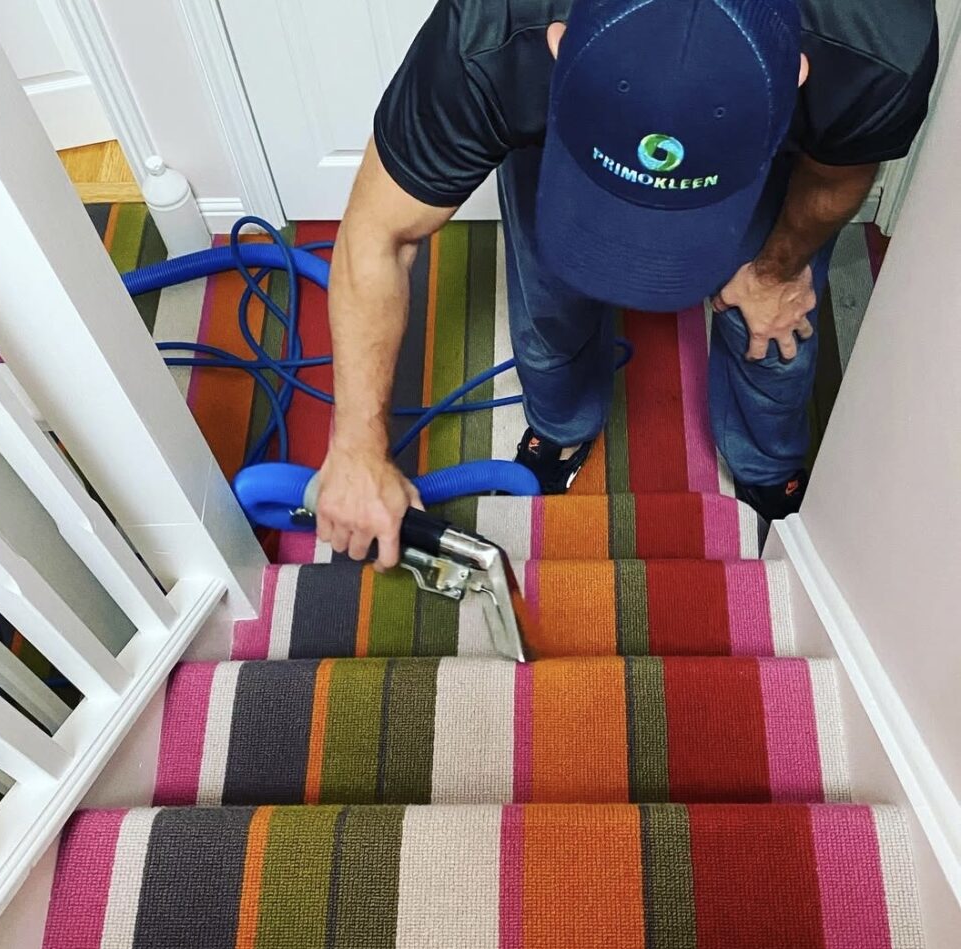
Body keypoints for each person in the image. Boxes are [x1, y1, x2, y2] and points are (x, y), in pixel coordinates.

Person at [314, 0, 939, 570]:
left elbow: (834, 177)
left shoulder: (875, 43)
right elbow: (380, 234)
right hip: (569, 120)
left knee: (775, 318)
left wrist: (776, 269)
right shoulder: (496, 28)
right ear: (558, 43)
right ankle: (561, 423)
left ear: (797, 72)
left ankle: (765, 463)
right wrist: (357, 447)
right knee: (549, 292)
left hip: (759, 135)